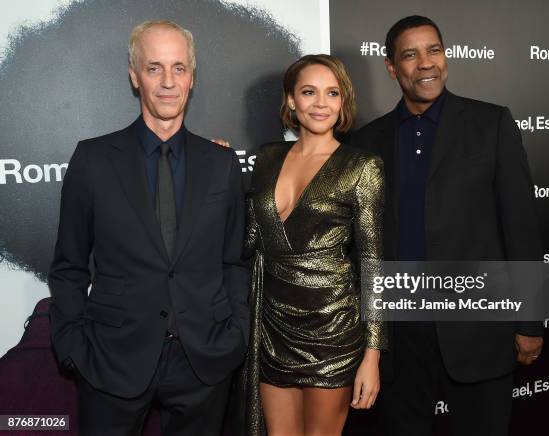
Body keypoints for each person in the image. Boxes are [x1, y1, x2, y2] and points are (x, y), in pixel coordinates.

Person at [48, 20, 249, 436]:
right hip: (111, 359)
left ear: (192, 78)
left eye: (179, 68)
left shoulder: (222, 164)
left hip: (204, 361)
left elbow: (235, 261)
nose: (168, 82)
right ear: (134, 75)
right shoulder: (93, 160)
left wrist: (236, 335)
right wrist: (71, 345)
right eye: (154, 68)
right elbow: (69, 266)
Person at [350, 15, 544, 436]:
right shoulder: (368, 142)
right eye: (410, 54)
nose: (425, 63)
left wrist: (529, 322)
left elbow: (522, 227)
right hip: (401, 341)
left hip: (479, 332)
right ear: (391, 67)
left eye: (433, 50)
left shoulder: (490, 124)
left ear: (446, 56)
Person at [241, 54, 387, 436]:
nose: (321, 103)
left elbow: (373, 262)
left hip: (332, 327)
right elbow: (249, 239)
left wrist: (372, 356)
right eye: (309, 92)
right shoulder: (266, 157)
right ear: (291, 100)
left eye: (332, 93)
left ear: (343, 103)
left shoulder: (361, 166)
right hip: (273, 325)